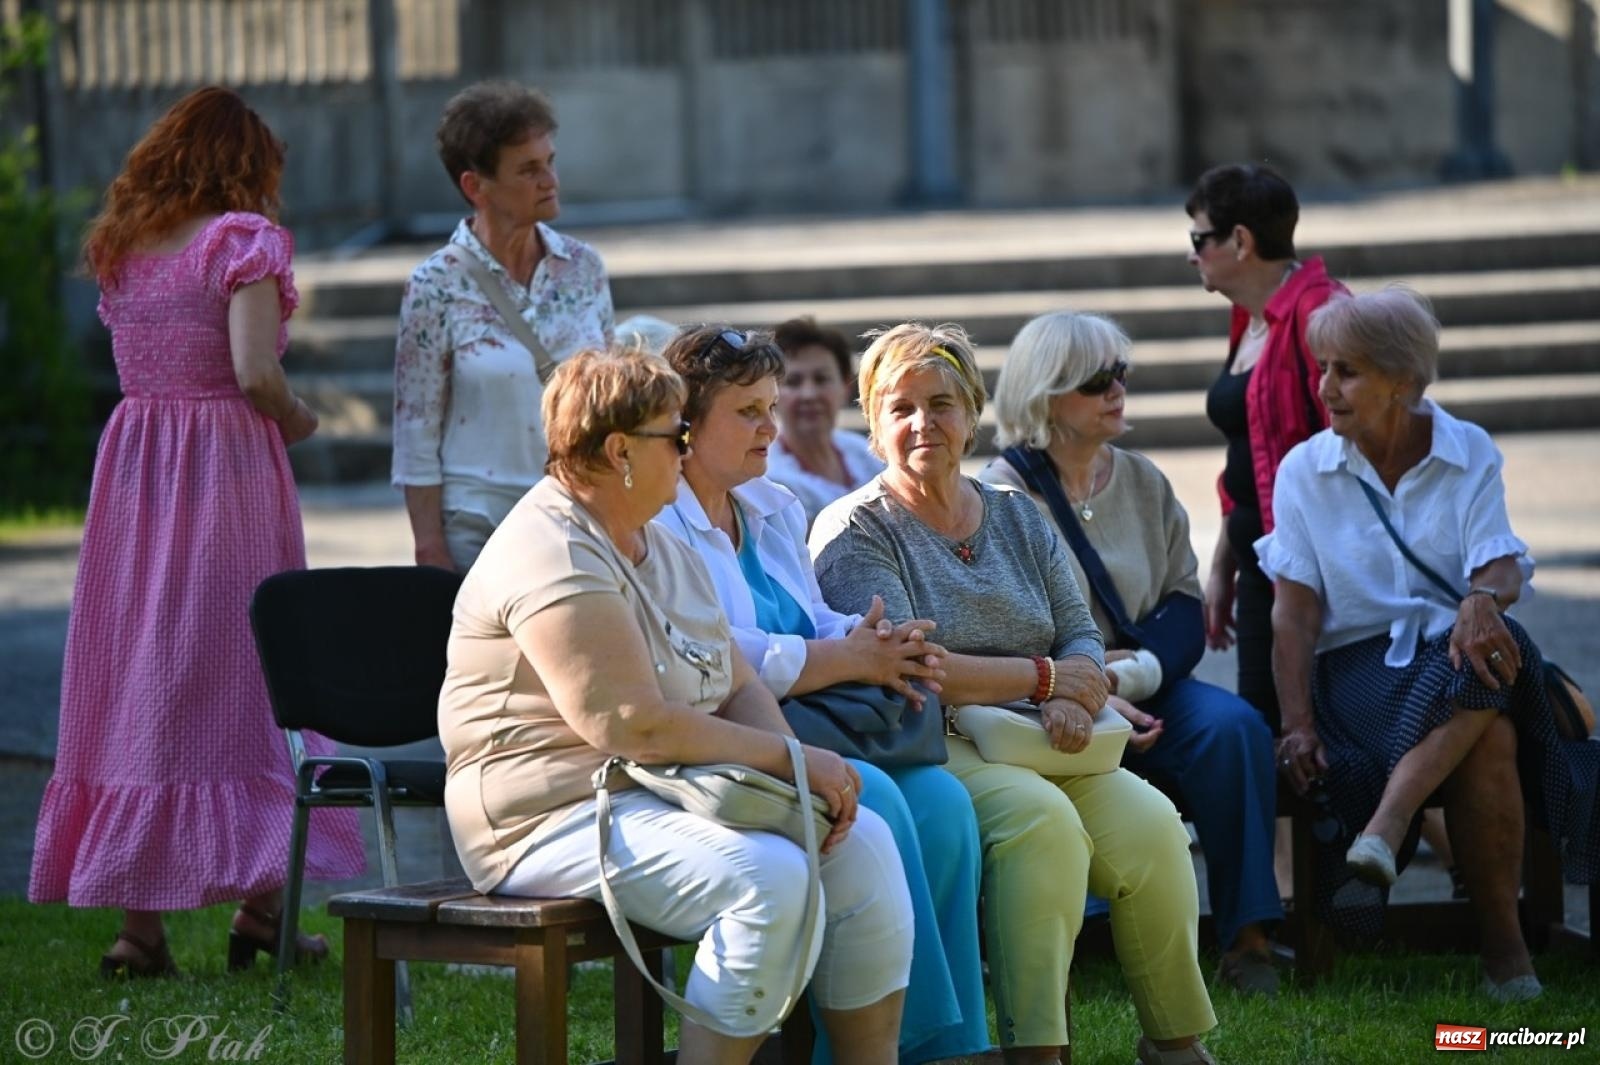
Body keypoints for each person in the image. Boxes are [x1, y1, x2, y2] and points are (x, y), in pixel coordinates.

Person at [440, 349, 913, 1062]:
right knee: (770, 880)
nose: (688, 449)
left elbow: (735, 683)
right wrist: (794, 759)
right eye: (676, 435)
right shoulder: (552, 549)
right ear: (619, 450)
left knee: (865, 846)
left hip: (652, 791)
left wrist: (793, 774)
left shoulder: (657, 535)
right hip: (543, 817)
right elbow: (632, 725)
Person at [811, 323, 1217, 1065]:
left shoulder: (1016, 512)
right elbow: (913, 660)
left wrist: (1073, 684)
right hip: (939, 740)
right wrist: (1046, 679)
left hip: (1050, 733)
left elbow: (1079, 631)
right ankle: (1039, 1052)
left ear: (972, 412)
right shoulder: (855, 529)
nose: (922, 423)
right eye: (899, 408)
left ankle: (1175, 1041)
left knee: (1155, 822)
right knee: (1043, 825)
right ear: (873, 426)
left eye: (940, 403)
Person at [28, 87, 365, 977]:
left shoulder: (126, 250)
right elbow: (255, 372)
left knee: (145, 669)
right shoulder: (242, 243)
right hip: (224, 469)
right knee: (241, 667)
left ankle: (142, 930)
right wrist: (298, 417)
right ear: (246, 165)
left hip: (136, 466)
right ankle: (265, 909)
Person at [653, 325, 990, 1064]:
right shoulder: (658, 520)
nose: (770, 427)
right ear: (687, 422)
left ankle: (958, 1040)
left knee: (945, 804)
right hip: (728, 744)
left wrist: (873, 636)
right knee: (885, 804)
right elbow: (709, 656)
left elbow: (807, 614)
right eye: (748, 412)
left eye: (770, 406)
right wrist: (841, 655)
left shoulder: (770, 504)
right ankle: (897, 1045)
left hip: (817, 722)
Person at [1260, 287, 1600, 1003]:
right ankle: (1505, 954)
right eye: (1322, 368)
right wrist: (1296, 722)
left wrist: (1481, 600)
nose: (1324, 388)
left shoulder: (1467, 447)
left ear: (1402, 382)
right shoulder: (1303, 471)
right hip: (1357, 671)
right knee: (1495, 702)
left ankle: (1387, 827)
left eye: (1345, 371)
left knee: (1489, 679)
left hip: (1458, 649)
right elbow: (1292, 616)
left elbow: (1501, 562)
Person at [981, 310, 1283, 996]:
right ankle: (1078, 933)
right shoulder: (1001, 495)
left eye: (1122, 373)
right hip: (1046, 694)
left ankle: (1249, 936)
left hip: (1149, 682)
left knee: (1235, 728)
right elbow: (1005, 625)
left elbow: (1184, 601)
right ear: (1045, 393)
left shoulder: (1143, 479)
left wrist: (1135, 671)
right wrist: (1089, 686)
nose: (1117, 390)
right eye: (1097, 380)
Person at [392, 80, 614, 572]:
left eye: (550, 161)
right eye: (529, 169)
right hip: (479, 524)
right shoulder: (434, 285)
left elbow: (612, 400)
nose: (550, 179)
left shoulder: (584, 268)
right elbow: (415, 429)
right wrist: (429, 547)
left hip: (578, 517)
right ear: (476, 186)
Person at [1186, 163, 1348, 732]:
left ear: (1241, 240)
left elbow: (1356, 447)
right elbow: (1247, 453)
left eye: (1199, 239)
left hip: (1315, 571)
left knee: (1321, 736)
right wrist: (1223, 564)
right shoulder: (1248, 316)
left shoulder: (1320, 312)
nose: (1192, 255)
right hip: (1262, 559)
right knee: (1267, 732)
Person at [766, 316, 885, 525]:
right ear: (770, 393)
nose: (809, 394)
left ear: (845, 387)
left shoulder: (867, 455)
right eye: (793, 382)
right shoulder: (766, 477)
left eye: (821, 379)